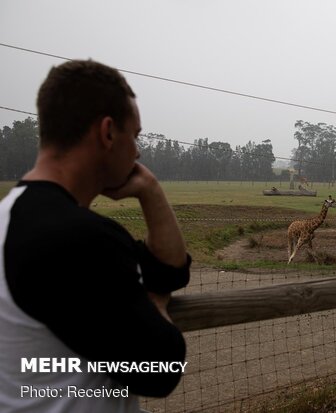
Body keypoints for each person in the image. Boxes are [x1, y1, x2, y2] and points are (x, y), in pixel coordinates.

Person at [0, 59, 192, 412]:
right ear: (107, 133)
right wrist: (154, 301)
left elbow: (171, 271)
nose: (137, 152)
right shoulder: (82, 238)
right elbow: (160, 370)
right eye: (134, 136)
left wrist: (149, 189)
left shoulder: (10, 219)